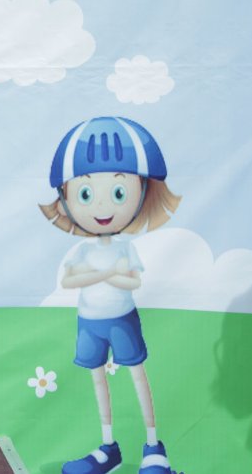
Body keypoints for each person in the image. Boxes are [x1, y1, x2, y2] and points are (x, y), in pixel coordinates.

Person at [39, 117, 182, 474]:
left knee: (136, 374)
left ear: (143, 194)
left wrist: (107, 275)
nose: (102, 208)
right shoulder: (83, 251)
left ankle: (153, 446)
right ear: (65, 199)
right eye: (85, 194)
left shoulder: (124, 248)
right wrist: (107, 274)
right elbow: (70, 281)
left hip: (122, 320)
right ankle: (108, 447)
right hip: (90, 323)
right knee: (97, 378)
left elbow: (132, 283)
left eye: (119, 193)